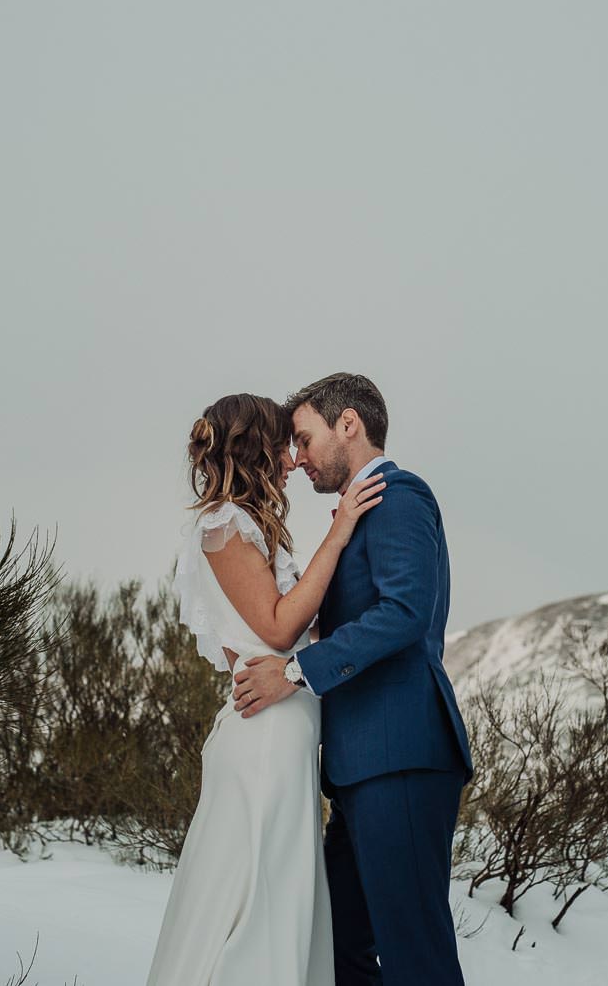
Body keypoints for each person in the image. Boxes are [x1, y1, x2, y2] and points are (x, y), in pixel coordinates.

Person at [232, 372, 473, 986]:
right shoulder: (361, 510)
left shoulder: (399, 496)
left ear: (349, 425)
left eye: (305, 440)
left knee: (415, 952)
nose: (298, 459)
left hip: (401, 754)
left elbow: (404, 612)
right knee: (341, 947)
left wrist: (294, 671)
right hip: (362, 766)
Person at [145, 391, 386, 986]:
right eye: (285, 445)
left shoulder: (253, 528)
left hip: (288, 737)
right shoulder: (222, 525)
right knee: (256, 904)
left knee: (280, 899)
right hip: (264, 739)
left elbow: (306, 628)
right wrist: (343, 528)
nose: (293, 460)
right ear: (257, 449)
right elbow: (278, 626)